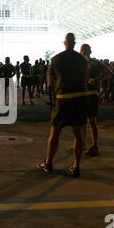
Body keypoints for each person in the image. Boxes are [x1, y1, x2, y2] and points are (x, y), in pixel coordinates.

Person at [37, 33, 89, 178]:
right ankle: (76, 166)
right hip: (79, 100)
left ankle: (48, 163)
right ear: (75, 43)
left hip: (63, 99)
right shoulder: (82, 60)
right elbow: (85, 79)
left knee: (55, 133)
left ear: (64, 43)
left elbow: (51, 82)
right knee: (78, 135)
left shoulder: (56, 59)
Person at [80, 44, 111, 157]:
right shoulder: (81, 64)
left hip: (91, 95)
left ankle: (94, 146)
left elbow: (109, 72)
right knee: (83, 121)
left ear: (84, 51)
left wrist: (96, 79)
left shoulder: (94, 63)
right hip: (83, 95)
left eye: (81, 50)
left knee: (91, 121)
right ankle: (82, 144)